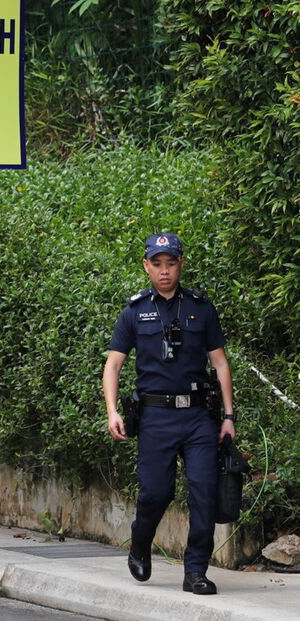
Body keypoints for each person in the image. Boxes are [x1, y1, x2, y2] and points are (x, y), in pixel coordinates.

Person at [103, 233, 235, 595]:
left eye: (171, 263)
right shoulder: (134, 311)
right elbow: (113, 366)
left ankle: (195, 571)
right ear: (146, 266)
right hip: (155, 417)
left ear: (181, 265)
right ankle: (140, 543)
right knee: (156, 494)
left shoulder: (201, 308)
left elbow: (220, 363)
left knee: (204, 494)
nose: (165, 271)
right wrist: (112, 411)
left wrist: (228, 416)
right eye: (157, 264)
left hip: (198, 418)